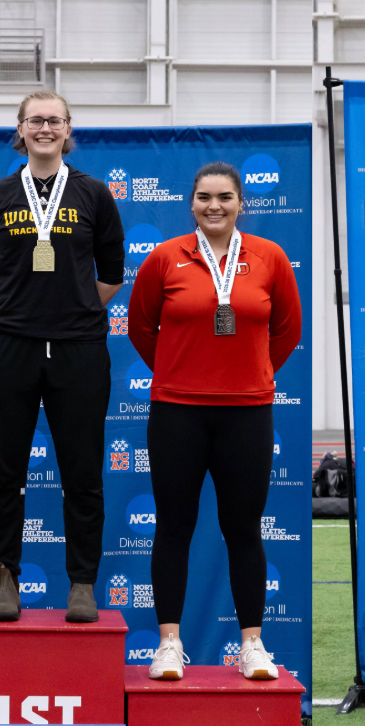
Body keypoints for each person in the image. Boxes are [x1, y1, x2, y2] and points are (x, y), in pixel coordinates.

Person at [128, 164, 301, 681]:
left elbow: (287, 330)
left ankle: (252, 645)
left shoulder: (268, 257)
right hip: (177, 411)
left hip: (246, 413)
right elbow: (140, 327)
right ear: (191, 204)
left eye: (225, 197)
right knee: (174, 527)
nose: (214, 206)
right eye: (204, 197)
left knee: (243, 529)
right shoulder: (165, 257)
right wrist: (182, 370)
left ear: (241, 203)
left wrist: (250, 373)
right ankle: (168, 644)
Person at [0, 91, 124, 622]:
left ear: (68, 128)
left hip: (78, 349)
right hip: (7, 348)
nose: (45, 128)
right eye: (36, 120)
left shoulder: (95, 195)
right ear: (20, 128)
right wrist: (22, 315)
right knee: (3, 472)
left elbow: (110, 276)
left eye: (54, 120)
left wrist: (69, 313)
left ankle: (82, 583)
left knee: (82, 473)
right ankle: (4, 576)